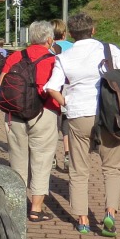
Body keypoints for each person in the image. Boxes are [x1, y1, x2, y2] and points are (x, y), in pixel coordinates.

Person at [45, 11, 120, 237]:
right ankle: (110, 213)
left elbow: (52, 87)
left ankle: (82, 220)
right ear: (93, 30)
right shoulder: (109, 50)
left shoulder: (64, 56)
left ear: (71, 34)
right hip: (109, 115)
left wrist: (67, 103)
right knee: (112, 167)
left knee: (78, 169)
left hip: (78, 116)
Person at [0, 20, 60, 223]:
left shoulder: (16, 56)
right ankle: (35, 209)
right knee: (42, 160)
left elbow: (2, 82)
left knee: (17, 159)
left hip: (15, 115)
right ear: (49, 40)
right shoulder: (53, 60)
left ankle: (15, 204)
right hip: (44, 113)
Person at [51, 18, 72, 172]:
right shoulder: (73, 47)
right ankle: (68, 156)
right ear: (64, 33)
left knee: (53, 126)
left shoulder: (49, 48)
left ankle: (51, 157)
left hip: (53, 90)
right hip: (70, 89)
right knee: (67, 125)